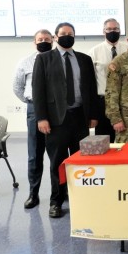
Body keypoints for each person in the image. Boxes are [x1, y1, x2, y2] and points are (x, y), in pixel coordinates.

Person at [32, 22, 99, 218]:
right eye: (63, 34)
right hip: (55, 121)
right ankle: (56, 202)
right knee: (58, 163)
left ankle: (81, 200)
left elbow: (91, 90)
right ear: (55, 37)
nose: (66, 36)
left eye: (70, 34)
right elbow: (38, 92)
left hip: (80, 118)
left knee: (80, 163)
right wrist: (42, 118)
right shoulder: (44, 59)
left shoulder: (84, 59)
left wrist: (93, 115)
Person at [12, 29, 53, 209]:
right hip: (34, 109)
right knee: (34, 154)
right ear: (34, 42)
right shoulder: (25, 62)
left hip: (55, 110)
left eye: (47, 39)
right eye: (40, 39)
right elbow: (17, 87)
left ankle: (59, 193)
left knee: (56, 154)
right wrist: (32, 102)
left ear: (53, 40)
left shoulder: (58, 59)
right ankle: (33, 194)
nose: (43, 41)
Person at [87, 18, 128, 140]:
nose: (112, 31)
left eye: (115, 29)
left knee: (124, 140)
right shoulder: (94, 52)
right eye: (109, 29)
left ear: (120, 31)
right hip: (103, 102)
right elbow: (90, 81)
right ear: (103, 31)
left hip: (125, 102)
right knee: (104, 141)